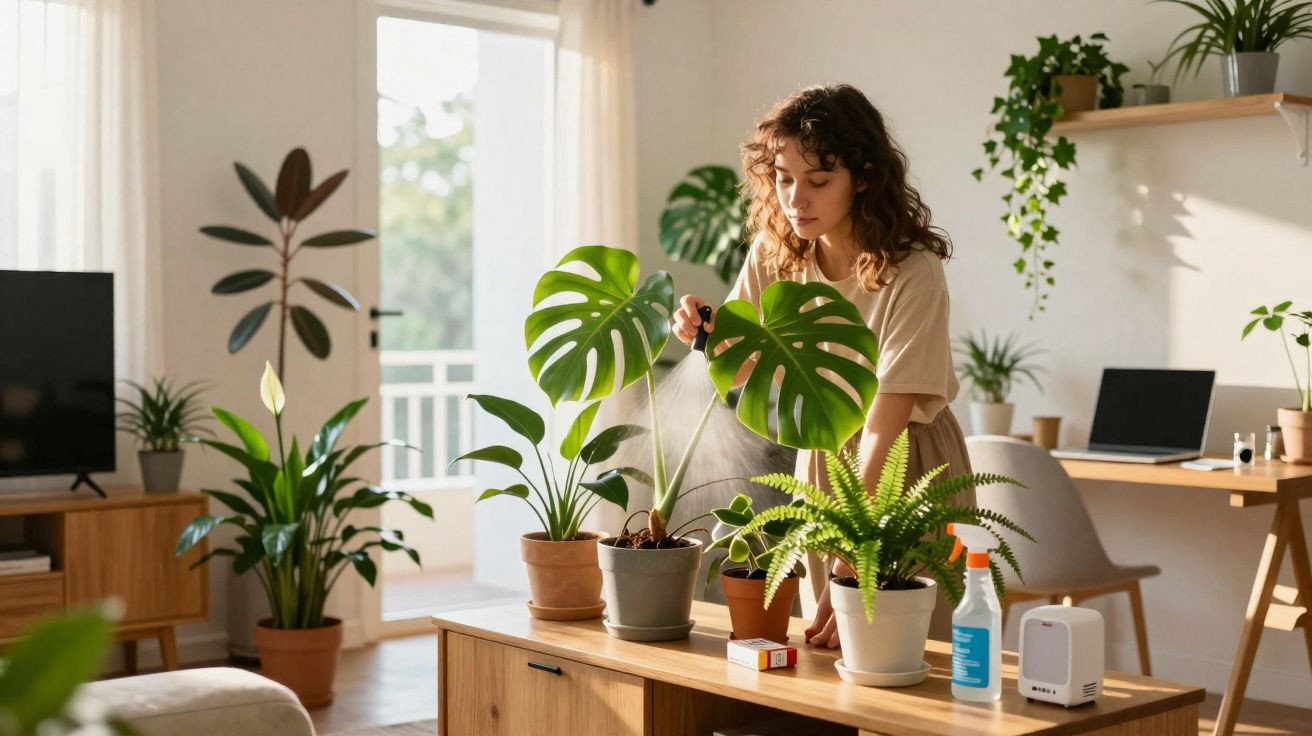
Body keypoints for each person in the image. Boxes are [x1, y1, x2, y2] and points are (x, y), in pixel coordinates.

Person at [672, 84, 971, 647]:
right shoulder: (775, 254)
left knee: (917, 659)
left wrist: (850, 555)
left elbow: (885, 425)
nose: (795, 199)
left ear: (864, 177)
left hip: (906, 466)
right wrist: (698, 326)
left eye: (818, 180)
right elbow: (742, 366)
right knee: (829, 654)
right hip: (824, 464)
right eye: (783, 179)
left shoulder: (912, 273)